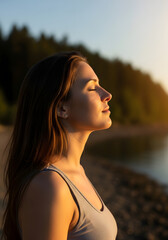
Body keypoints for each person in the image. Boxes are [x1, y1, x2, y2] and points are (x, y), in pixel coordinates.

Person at [1, 51, 117, 240]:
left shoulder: (76, 171)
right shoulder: (49, 187)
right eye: (92, 87)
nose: (107, 94)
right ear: (62, 108)